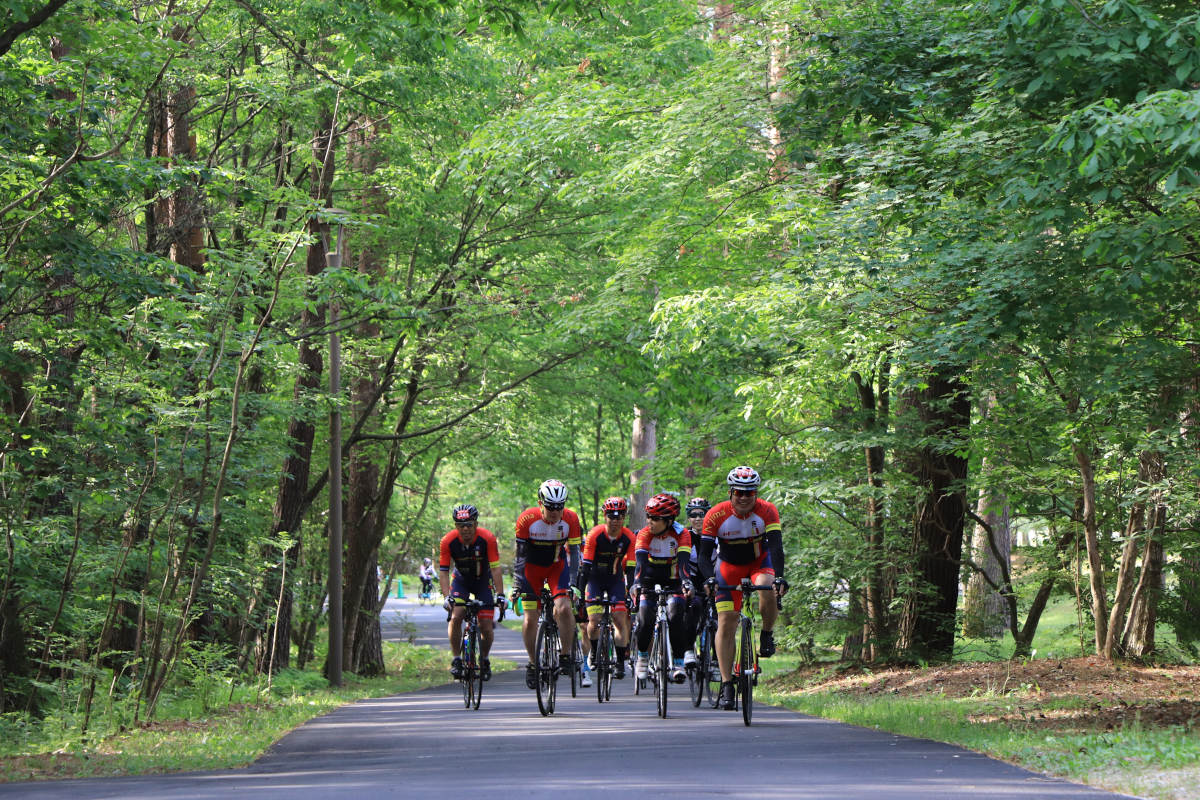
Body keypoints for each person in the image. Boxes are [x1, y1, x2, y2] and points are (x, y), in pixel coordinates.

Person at [697, 466, 788, 710]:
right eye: (739, 492)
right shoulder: (716, 515)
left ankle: (767, 633)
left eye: (750, 493)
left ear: (756, 493)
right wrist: (708, 579)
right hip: (728, 567)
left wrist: (779, 577)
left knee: (767, 587)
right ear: (731, 492)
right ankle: (727, 684)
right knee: (726, 620)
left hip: (759, 563)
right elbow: (704, 556)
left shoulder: (767, 510)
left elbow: (777, 548)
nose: (745, 497)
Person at [513, 479, 583, 690]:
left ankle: (565, 656)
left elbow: (575, 555)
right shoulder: (527, 519)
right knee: (530, 619)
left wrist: (573, 583)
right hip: (531, 570)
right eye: (550, 506)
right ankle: (533, 664)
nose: (555, 511)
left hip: (556, 567)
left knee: (563, 608)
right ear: (540, 503)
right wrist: (517, 584)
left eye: (559, 506)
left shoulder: (571, 519)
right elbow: (520, 557)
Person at [438, 504, 506, 681]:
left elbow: (496, 568)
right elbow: (444, 571)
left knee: (486, 625)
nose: (465, 529)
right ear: (456, 526)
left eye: (469, 524)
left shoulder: (487, 538)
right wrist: (447, 597)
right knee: (456, 615)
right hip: (461, 582)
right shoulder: (448, 541)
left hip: (483, 581)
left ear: (476, 524)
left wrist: (500, 595)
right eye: (461, 525)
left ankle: (484, 659)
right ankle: (456, 659)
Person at [632, 493, 693, 684]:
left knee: (676, 615)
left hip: (673, 580)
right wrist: (637, 584)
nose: (649, 521)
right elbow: (640, 565)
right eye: (648, 516)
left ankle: (678, 662)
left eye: (655, 518)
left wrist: (686, 582)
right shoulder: (644, 534)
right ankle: (642, 657)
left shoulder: (682, 534)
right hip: (648, 580)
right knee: (645, 618)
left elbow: (684, 565)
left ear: (668, 520)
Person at [574, 496, 634, 680]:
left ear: (624, 517)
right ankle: (593, 651)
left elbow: (631, 568)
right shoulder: (595, 534)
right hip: (594, 580)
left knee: (619, 618)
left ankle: (620, 662)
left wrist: (631, 591)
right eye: (611, 516)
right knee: (594, 620)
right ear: (604, 516)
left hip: (615, 579)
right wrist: (580, 592)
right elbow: (585, 567)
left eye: (619, 516)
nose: (615, 520)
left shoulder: (629, 537)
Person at [680, 496, 712, 669]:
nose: (698, 518)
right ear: (689, 517)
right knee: (695, 606)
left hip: (712, 580)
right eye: (694, 515)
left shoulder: (716, 535)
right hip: (692, 581)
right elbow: (681, 563)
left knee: (718, 615)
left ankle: (714, 659)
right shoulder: (685, 536)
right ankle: (688, 650)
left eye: (702, 514)